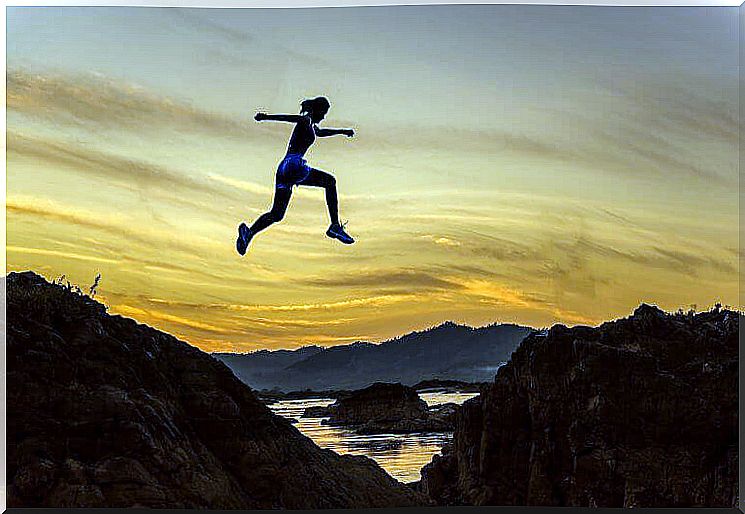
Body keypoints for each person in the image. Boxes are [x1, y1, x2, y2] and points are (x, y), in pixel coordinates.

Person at [236, 96, 355, 255]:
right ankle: (334, 226)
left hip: (284, 168)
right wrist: (266, 117)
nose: (324, 116)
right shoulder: (305, 120)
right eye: (324, 112)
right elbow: (291, 118)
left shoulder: (311, 126)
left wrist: (342, 131)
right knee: (330, 181)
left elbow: (320, 132)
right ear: (317, 110)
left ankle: (249, 233)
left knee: (277, 214)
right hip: (294, 165)